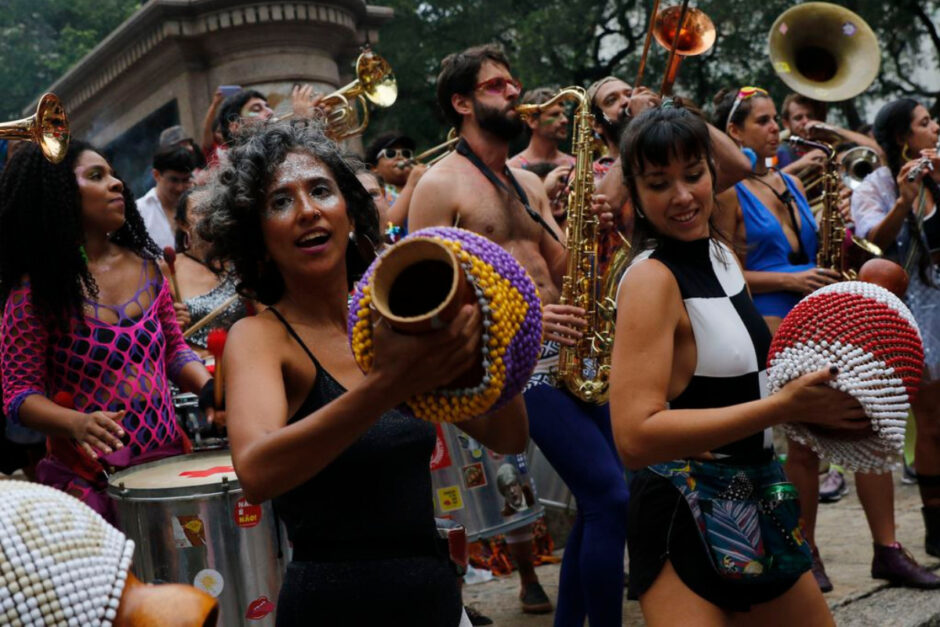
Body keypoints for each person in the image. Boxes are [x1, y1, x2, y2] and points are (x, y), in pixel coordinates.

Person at [199, 120, 528, 625]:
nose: (307, 210)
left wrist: (490, 330)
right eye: (280, 202)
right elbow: (258, 472)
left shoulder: (395, 318)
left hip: (436, 603)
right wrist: (388, 385)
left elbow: (508, 435)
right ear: (258, 239)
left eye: (321, 190)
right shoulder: (262, 338)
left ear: (350, 214)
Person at [611, 104, 869, 624]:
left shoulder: (720, 252)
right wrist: (780, 408)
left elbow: (737, 382)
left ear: (712, 172)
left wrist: (815, 394)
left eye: (694, 174)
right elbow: (634, 436)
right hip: (683, 512)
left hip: (758, 496)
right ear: (635, 196)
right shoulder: (650, 279)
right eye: (659, 183)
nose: (683, 197)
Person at [410, 44, 624, 625]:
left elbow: (561, 268)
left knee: (607, 496)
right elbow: (425, 301)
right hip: (516, 365)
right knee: (609, 496)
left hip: (571, 355)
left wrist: (594, 232)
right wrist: (529, 318)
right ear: (461, 102)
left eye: (512, 82)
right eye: (497, 85)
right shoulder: (438, 184)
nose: (513, 92)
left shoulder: (526, 185)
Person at [715, 86, 940, 591]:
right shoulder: (729, 191)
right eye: (764, 120)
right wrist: (791, 280)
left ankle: (888, 549)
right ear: (733, 133)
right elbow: (726, 271)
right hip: (776, 318)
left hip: (825, 311)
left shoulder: (788, 183)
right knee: (803, 448)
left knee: (872, 423)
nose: (777, 128)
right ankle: (806, 551)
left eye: (776, 119)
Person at [0, 141, 214, 523]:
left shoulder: (150, 268)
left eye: (113, 174)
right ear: (60, 194)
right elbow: (19, 396)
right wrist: (76, 424)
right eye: (97, 176)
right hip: (90, 479)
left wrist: (210, 388)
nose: (116, 184)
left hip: (166, 463)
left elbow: (174, 352)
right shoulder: (34, 292)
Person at [851, 97, 940, 563]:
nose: (936, 128)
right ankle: (935, 523)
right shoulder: (875, 187)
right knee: (932, 420)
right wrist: (905, 202)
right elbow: (872, 245)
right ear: (905, 139)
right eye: (926, 123)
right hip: (913, 313)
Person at [169, 187, 250, 358]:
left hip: (238, 362)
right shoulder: (168, 267)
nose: (209, 215)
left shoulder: (240, 262)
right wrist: (169, 324)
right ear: (183, 224)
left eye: (213, 208)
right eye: (199, 211)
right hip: (192, 371)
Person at [136, 145, 197, 250]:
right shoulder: (139, 212)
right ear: (156, 175)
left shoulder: (197, 206)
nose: (180, 188)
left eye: (186, 180)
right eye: (174, 180)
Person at [364, 131, 426, 228]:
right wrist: (411, 185)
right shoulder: (372, 193)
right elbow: (388, 229)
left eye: (406, 153)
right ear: (374, 169)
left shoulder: (421, 187)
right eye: (390, 153)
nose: (400, 157)